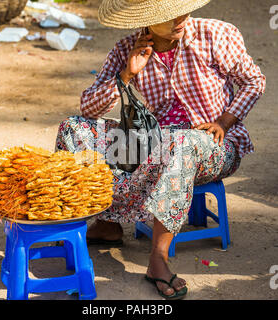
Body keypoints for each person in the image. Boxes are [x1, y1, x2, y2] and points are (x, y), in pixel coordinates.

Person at [55, 0, 266, 299]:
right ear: (146, 19)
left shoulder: (215, 34)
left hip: (215, 144)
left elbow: (254, 81)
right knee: (74, 128)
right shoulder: (126, 48)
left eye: (181, 9)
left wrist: (224, 121)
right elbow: (89, 107)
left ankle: (158, 259)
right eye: (168, 16)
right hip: (156, 140)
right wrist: (126, 76)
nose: (180, 19)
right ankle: (106, 221)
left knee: (180, 143)